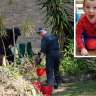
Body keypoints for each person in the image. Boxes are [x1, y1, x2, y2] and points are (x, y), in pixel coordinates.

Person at [37, 27, 62, 91]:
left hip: (50, 54)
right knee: (56, 69)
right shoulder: (53, 36)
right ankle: (59, 84)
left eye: (39, 33)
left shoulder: (44, 38)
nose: (40, 34)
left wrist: (40, 59)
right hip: (57, 53)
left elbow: (43, 50)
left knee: (49, 70)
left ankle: (51, 86)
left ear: (42, 32)